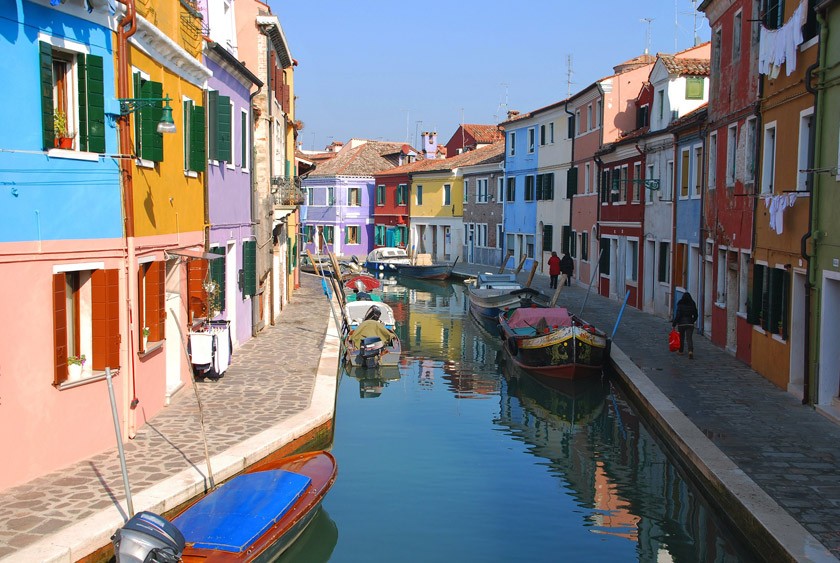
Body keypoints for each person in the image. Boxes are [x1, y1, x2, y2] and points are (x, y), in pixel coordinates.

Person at [672, 292, 699, 359]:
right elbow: (696, 314)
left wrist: (674, 323)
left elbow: (678, 315)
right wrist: (692, 321)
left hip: (681, 323)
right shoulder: (692, 303)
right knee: (689, 338)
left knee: (681, 337)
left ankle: (681, 351)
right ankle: (690, 351)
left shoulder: (680, 303)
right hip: (690, 323)